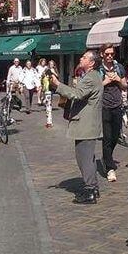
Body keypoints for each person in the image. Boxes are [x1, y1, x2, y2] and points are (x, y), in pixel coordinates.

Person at [50, 50, 103, 204]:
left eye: (85, 57)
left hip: (86, 125)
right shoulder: (90, 76)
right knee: (88, 158)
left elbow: (77, 94)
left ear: (92, 63)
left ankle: (90, 191)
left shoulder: (91, 78)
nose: (81, 58)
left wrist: (58, 85)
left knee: (84, 158)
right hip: (87, 124)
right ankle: (92, 187)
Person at [98, 44, 128, 182]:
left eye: (112, 54)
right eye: (107, 54)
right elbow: (94, 89)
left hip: (117, 105)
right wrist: (104, 82)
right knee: (107, 137)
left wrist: (118, 80)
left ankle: (106, 157)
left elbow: (125, 85)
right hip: (104, 107)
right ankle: (110, 168)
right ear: (102, 54)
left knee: (116, 137)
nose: (110, 56)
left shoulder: (119, 68)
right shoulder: (98, 69)